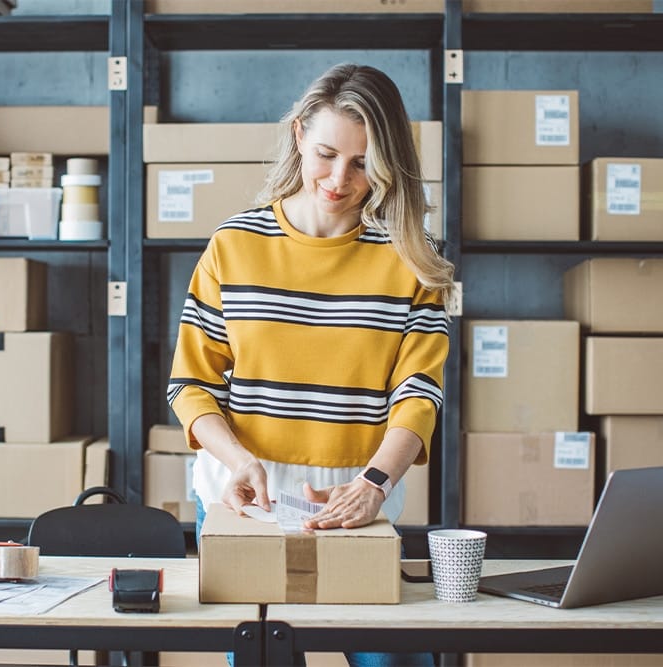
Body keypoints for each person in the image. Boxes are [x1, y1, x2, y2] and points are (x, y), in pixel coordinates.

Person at [168, 63, 454, 667]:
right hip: (245, 500)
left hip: (358, 500)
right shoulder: (234, 245)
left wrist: (375, 483)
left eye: (362, 162)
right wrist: (238, 459)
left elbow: (420, 391)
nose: (339, 179)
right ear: (298, 135)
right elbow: (190, 384)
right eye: (326, 153)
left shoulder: (411, 259)